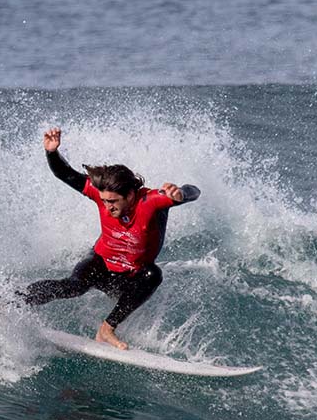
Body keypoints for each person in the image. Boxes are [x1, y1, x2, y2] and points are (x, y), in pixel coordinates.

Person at [20, 127, 199, 350]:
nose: (107, 206)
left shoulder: (151, 202)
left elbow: (194, 191)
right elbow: (65, 174)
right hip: (100, 263)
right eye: (104, 201)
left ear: (131, 195)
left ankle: (106, 329)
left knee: (153, 274)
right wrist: (52, 152)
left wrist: (180, 193)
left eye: (113, 201)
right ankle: (15, 302)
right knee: (73, 286)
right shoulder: (101, 194)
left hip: (130, 278)